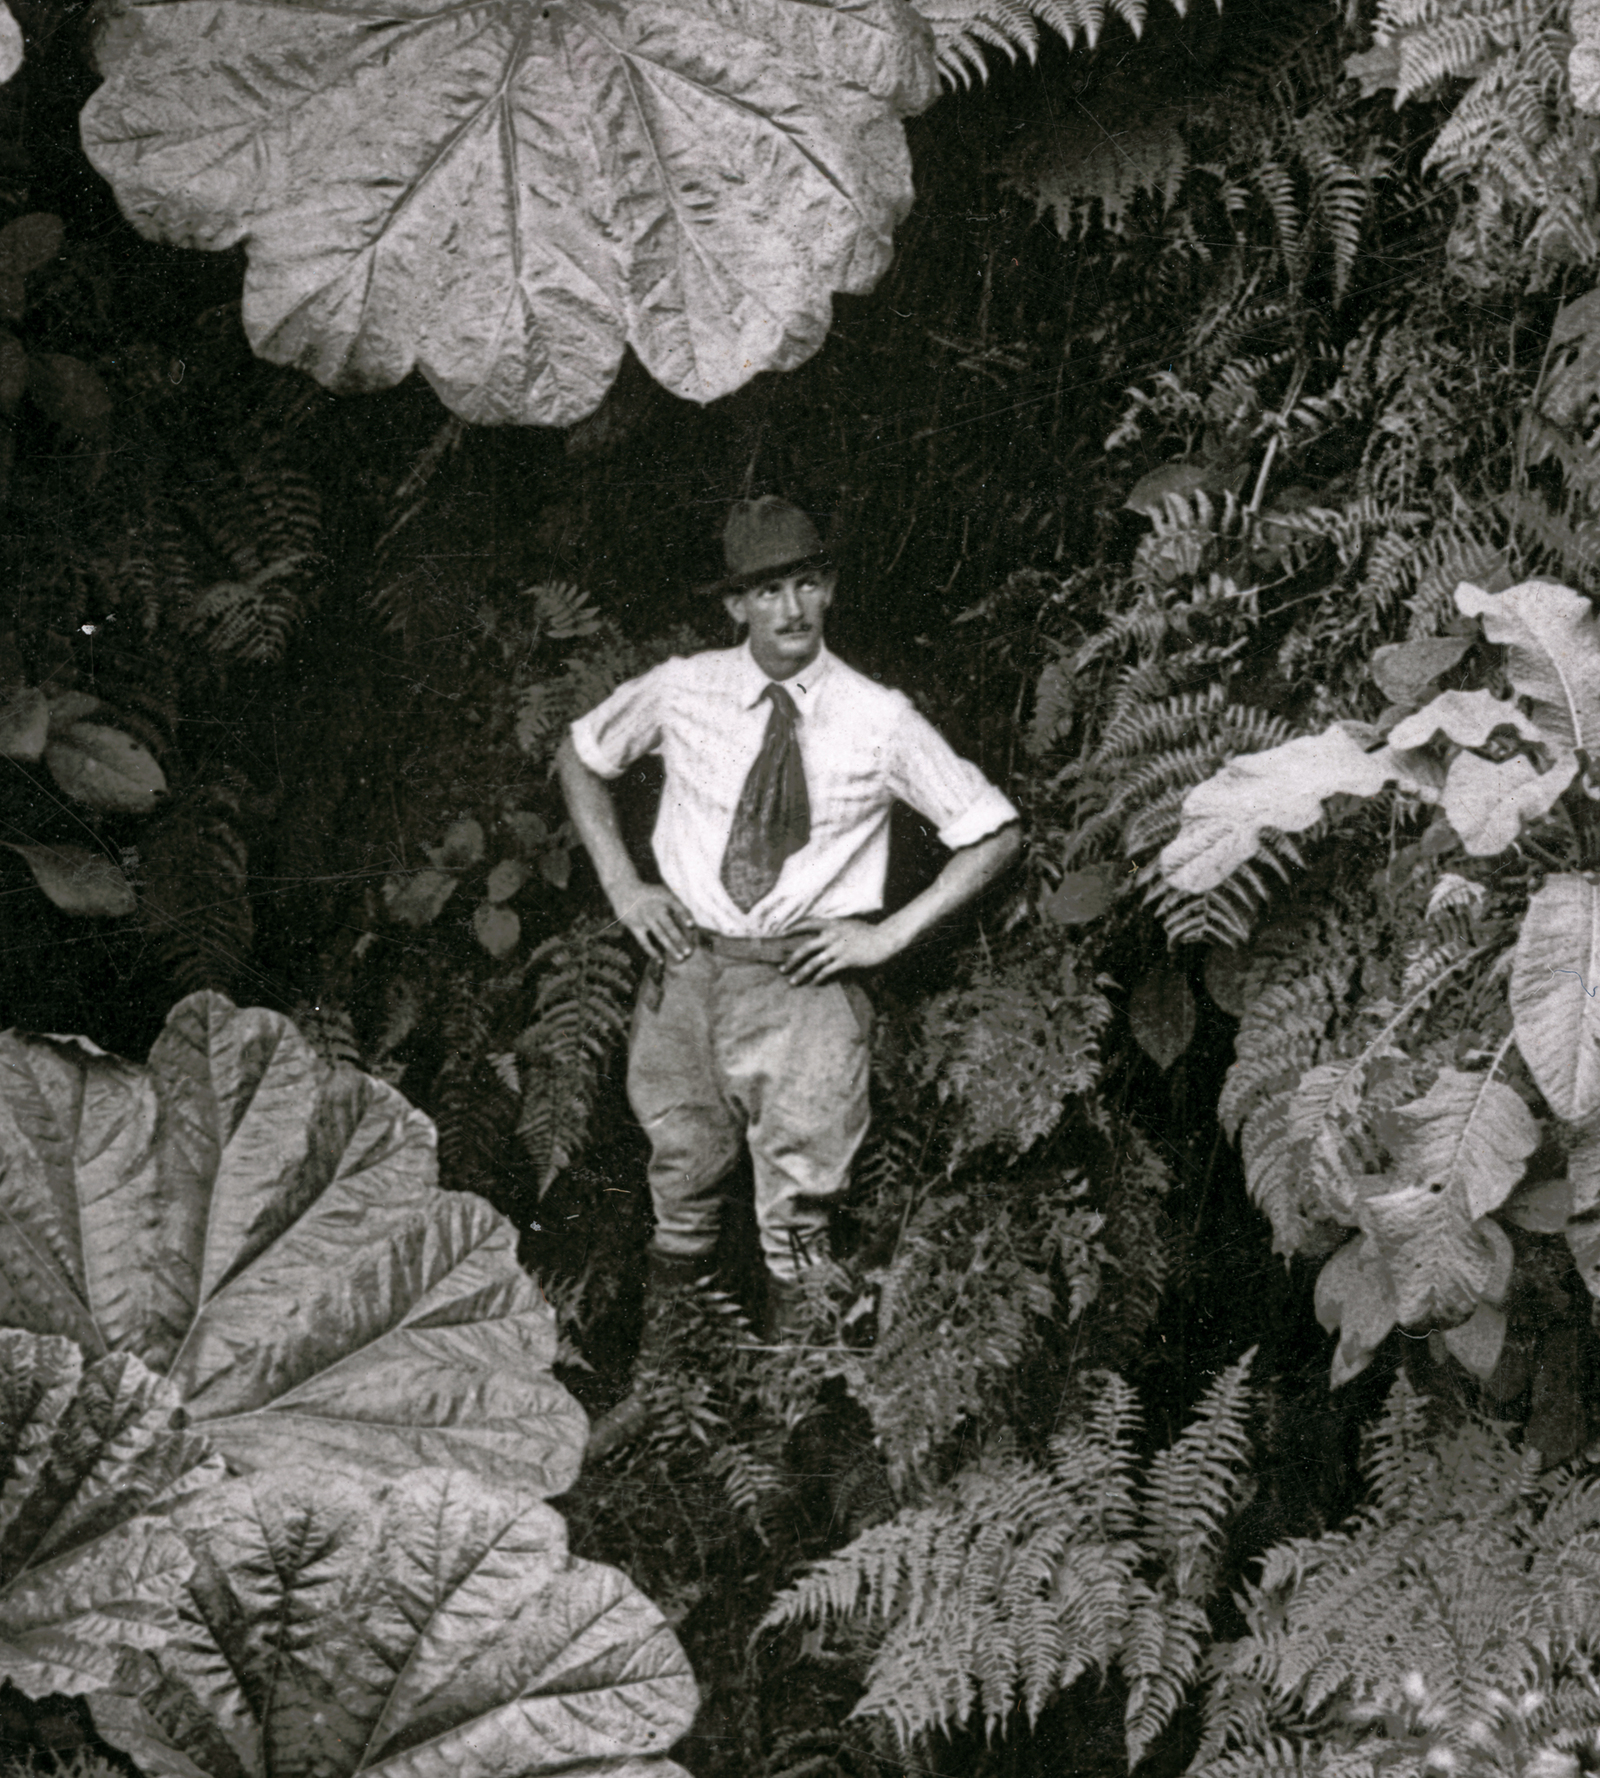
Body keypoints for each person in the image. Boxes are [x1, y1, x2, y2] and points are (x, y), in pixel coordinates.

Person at [557, 496, 1022, 1456]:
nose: (792, 608)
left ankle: (790, 1427)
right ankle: (663, 1390)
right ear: (737, 606)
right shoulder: (683, 689)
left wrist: (888, 936)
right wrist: (624, 885)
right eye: (768, 590)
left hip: (804, 989)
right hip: (686, 970)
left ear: (831, 589)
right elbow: (580, 751)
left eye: (808, 583)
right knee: (680, 1172)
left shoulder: (877, 718)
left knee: (800, 1205)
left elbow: (993, 831)